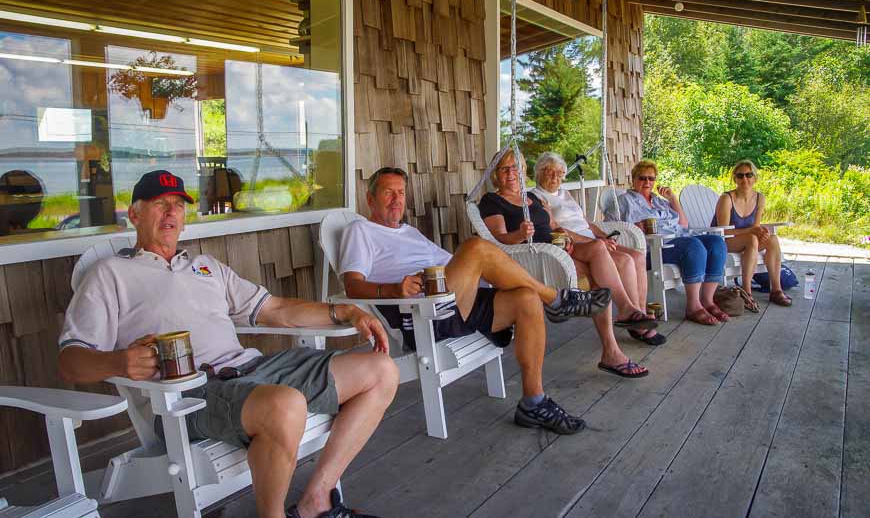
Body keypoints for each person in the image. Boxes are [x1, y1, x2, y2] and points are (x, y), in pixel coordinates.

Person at [57, 170, 397, 518]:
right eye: (160, 204)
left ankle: (317, 500)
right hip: (189, 395)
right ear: (134, 215)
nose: (171, 213)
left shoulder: (205, 267)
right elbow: (70, 361)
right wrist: (118, 363)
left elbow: (274, 309)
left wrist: (345, 311)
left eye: (178, 205)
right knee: (285, 405)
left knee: (382, 369)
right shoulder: (110, 274)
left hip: (254, 370)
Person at [340, 167, 632, 437]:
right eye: (388, 192)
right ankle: (556, 299)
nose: (396, 200)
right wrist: (394, 289)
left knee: (526, 299)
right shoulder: (360, 231)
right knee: (477, 247)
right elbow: (352, 285)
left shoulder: (410, 232)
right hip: (423, 314)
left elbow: (449, 263)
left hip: (456, 297)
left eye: (401, 193)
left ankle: (534, 401)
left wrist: (491, 276)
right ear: (370, 198)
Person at [475, 149, 653, 378]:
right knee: (598, 277)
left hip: (560, 246)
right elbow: (499, 240)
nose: (511, 173)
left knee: (599, 248)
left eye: (515, 167)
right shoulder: (492, 201)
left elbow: (554, 226)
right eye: (504, 168)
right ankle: (612, 350)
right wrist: (519, 234)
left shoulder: (534, 198)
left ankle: (627, 309)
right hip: (540, 256)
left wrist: (567, 236)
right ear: (495, 175)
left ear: (523, 171)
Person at [529, 151, 666, 346]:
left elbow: (584, 221)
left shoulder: (564, 193)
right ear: (539, 172)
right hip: (575, 244)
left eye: (560, 173)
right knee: (625, 261)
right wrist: (593, 241)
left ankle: (639, 313)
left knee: (638, 257)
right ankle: (635, 320)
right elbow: (555, 228)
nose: (556, 177)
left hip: (591, 239)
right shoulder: (536, 197)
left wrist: (603, 236)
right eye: (550, 172)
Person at [612, 160, 728, 326]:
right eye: (642, 178)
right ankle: (693, 306)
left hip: (679, 238)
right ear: (633, 179)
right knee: (693, 246)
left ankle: (708, 301)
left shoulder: (659, 201)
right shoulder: (624, 201)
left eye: (651, 179)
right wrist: (634, 227)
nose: (647, 182)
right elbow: (612, 227)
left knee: (717, 243)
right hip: (655, 248)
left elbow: (684, 224)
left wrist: (672, 198)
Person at [713, 160, 791, 309]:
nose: (745, 179)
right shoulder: (727, 198)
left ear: (755, 178)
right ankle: (746, 291)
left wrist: (762, 233)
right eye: (740, 176)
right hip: (723, 241)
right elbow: (723, 231)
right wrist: (752, 231)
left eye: (749, 175)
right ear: (734, 178)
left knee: (772, 239)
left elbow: (755, 227)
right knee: (751, 238)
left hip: (747, 241)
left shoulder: (760, 198)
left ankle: (776, 289)